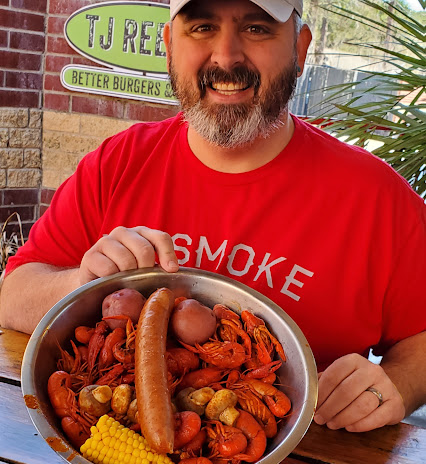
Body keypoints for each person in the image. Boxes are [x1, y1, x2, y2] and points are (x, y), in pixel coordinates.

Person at [0, 0, 425, 433]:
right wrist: (81, 286)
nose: (226, 57)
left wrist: (398, 384)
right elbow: (12, 295)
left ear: (299, 48)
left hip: (308, 459)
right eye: (202, 27)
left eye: (257, 28)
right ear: (169, 45)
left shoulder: (378, 196)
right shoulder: (117, 164)